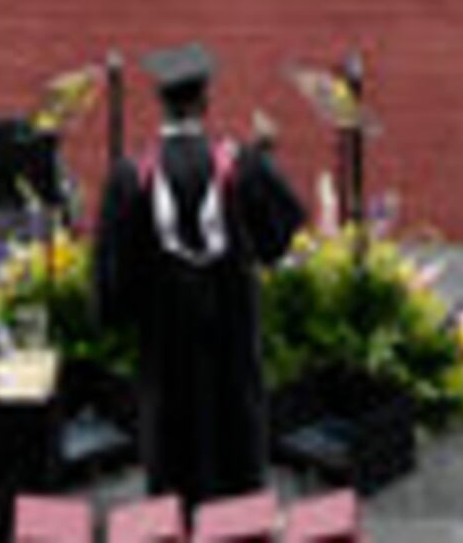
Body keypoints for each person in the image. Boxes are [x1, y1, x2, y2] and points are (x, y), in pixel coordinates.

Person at [91, 43, 307, 507]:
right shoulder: (241, 164)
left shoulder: (131, 176)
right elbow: (281, 235)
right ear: (205, 104)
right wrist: (265, 155)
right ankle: (238, 527)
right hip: (231, 328)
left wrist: (123, 314)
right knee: (235, 433)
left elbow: (113, 281)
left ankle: (173, 525)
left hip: (165, 338)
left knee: (170, 439)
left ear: (160, 104)